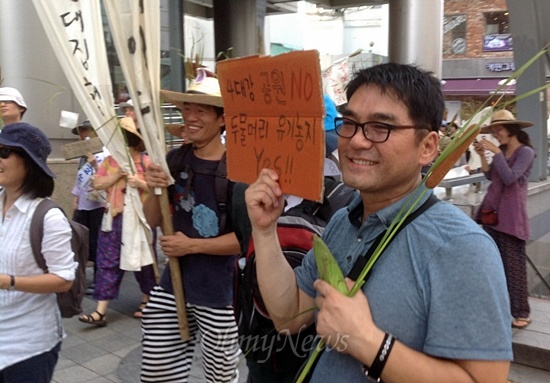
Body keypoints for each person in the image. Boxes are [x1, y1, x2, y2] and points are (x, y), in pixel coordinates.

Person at [245, 63, 513, 382]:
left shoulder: (461, 247)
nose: (357, 141)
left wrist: (369, 342)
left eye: (380, 127)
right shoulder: (343, 222)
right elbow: (288, 315)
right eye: (350, 123)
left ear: (427, 147)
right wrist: (264, 230)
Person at [141, 75, 241, 383]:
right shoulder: (174, 160)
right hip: (172, 285)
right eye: (188, 108)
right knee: (157, 371)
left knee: (221, 377)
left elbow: (246, 240)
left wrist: (192, 246)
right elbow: (151, 220)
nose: (191, 117)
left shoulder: (237, 169)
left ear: (222, 118)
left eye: (202, 110)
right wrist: (155, 189)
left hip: (220, 293)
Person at [0, 123, 76, 382]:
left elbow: (64, 279)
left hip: (28, 346)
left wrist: (8, 282)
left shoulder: (48, 216)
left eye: (4, 152)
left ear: (29, 163)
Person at [78, 117, 156, 326]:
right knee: (107, 262)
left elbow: (158, 190)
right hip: (113, 218)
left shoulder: (146, 161)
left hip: (140, 219)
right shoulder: (109, 161)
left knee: (144, 261)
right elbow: (98, 183)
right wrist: (118, 176)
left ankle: (147, 300)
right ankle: (101, 310)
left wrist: (139, 181)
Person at [474, 109, 535, 329]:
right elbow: (491, 176)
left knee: (514, 267)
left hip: (511, 218)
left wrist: (497, 155)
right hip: (491, 215)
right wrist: (483, 154)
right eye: (493, 130)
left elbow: (510, 179)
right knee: (491, 265)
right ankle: (497, 309)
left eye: (498, 129)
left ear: (511, 129)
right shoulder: (500, 150)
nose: (495, 134)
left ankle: (521, 312)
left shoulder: (525, 152)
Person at [70, 120, 107, 295]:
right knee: (79, 243)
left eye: (87, 131)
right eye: (81, 132)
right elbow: (78, 180)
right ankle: (81, 279)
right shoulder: (81, 155)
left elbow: (107, 178)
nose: (84, 135)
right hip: (83, 205)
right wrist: (75, 199)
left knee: (98, 243)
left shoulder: (105, 154)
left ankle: (100, 281)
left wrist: (94, 164)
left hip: (99, 205)